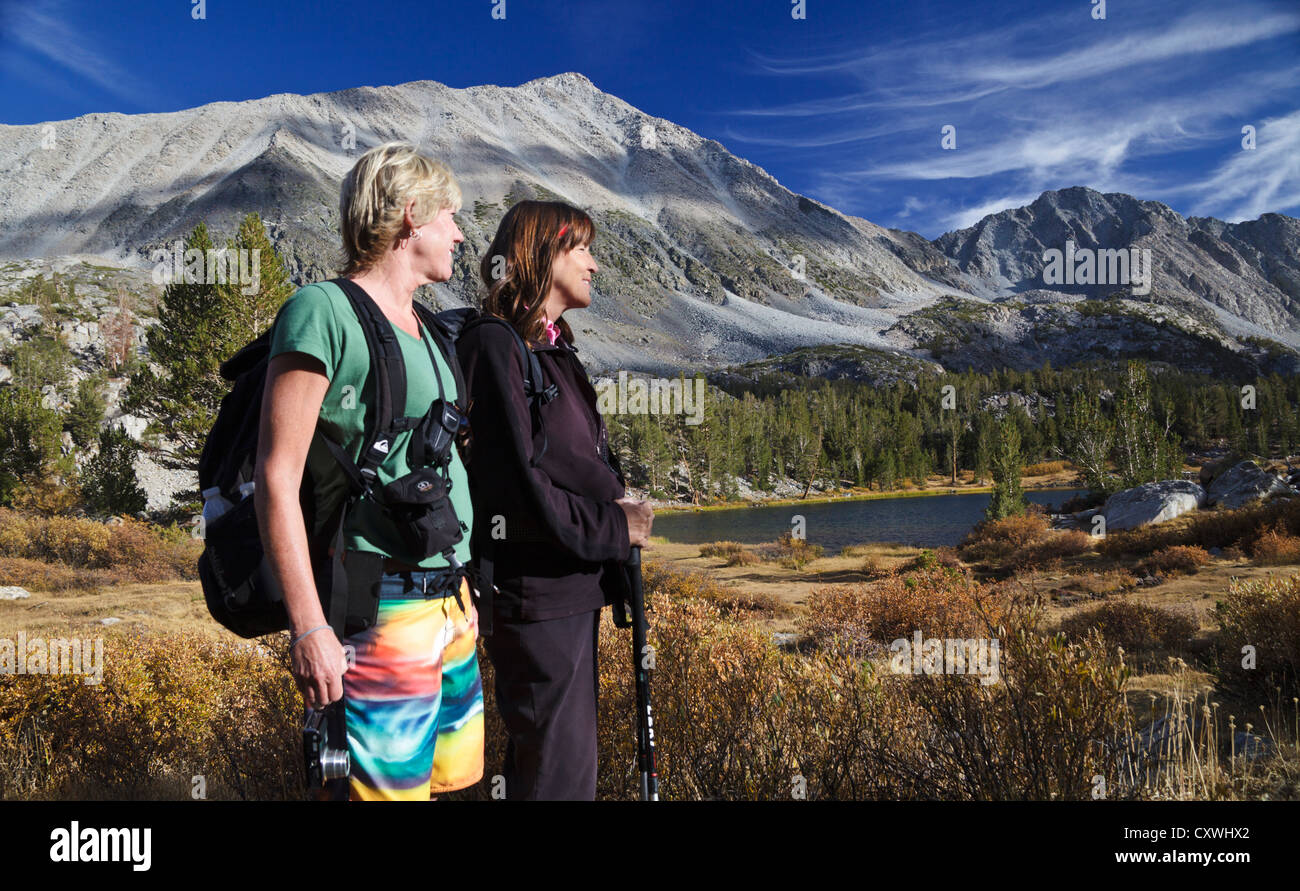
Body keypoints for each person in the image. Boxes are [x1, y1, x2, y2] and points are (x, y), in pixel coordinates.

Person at [254, 142, 483, 800]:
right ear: (411, 215)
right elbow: (277, 475)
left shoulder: (431, 331)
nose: (460, 234)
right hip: (381, 611)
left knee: (456, 789)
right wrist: (308, 626)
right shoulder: (322, 312)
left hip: (453, 607)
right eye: (450, 216)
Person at [457, 199, 654, 800]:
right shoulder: (495, 346)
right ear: (542, 253)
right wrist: (616, 528)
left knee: (563, 773)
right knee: (557, 782)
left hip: (567, 592)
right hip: (536, 598)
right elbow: (517, 488)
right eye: (582, 249)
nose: (594, 264)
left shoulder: (551, 350)